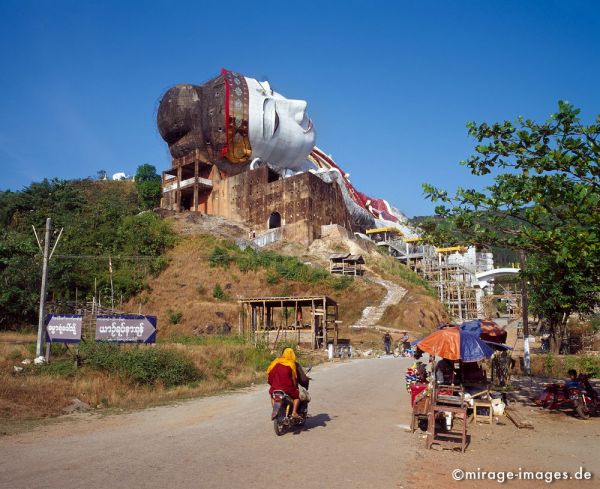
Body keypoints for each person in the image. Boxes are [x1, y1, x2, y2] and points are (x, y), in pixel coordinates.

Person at [266, 347, 305, 419]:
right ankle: (294, 412)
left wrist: (272, 384)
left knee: (272, 395)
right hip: (287, 388)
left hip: (275, 388)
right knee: (297, 397)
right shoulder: (291, 364)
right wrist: (295, 386)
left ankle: (275, 409)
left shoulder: (276, 362)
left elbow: (270, 375)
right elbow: (294, 378)